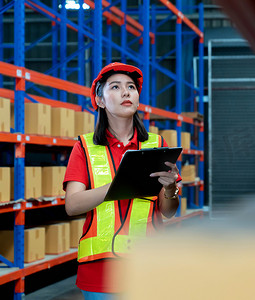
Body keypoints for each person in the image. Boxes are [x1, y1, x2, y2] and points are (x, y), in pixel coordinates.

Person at [64, 62, 180, 299]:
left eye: (131, 87)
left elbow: (168, 211)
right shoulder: (85, 148)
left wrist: (170, 189)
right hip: (100, 270)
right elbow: (72, 205)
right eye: (115, 87)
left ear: (137, 100)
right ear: (100, 100)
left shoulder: (156, 146)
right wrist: (117, 185)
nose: (126, 92)